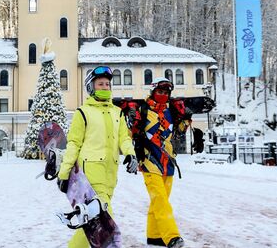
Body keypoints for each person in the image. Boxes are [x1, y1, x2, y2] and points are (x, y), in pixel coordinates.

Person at [56, 66, 137, 248]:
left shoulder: (117, 113)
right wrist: (64, 173)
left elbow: (124, 138)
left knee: (91, 223)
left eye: (108, 84)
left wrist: (131, 154)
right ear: (91, 87)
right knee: (105, 223)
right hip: (91, 176)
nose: (105, 87)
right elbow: (73, 144)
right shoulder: (83, 112)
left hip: (110, 176)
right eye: (100, 84)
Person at [128, 77, 191, 248]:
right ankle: (172, 236)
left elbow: (178, 131)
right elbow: (131, 132)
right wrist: (131, 120)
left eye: (166, 93)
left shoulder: (172, 112)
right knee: (161, 201)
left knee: (158, 201)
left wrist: (186, 118)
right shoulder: (143, 109)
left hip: (168, 163)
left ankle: (154, 236)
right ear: (153, 92)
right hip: (149, 161)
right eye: (159, 92)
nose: (162, 95)